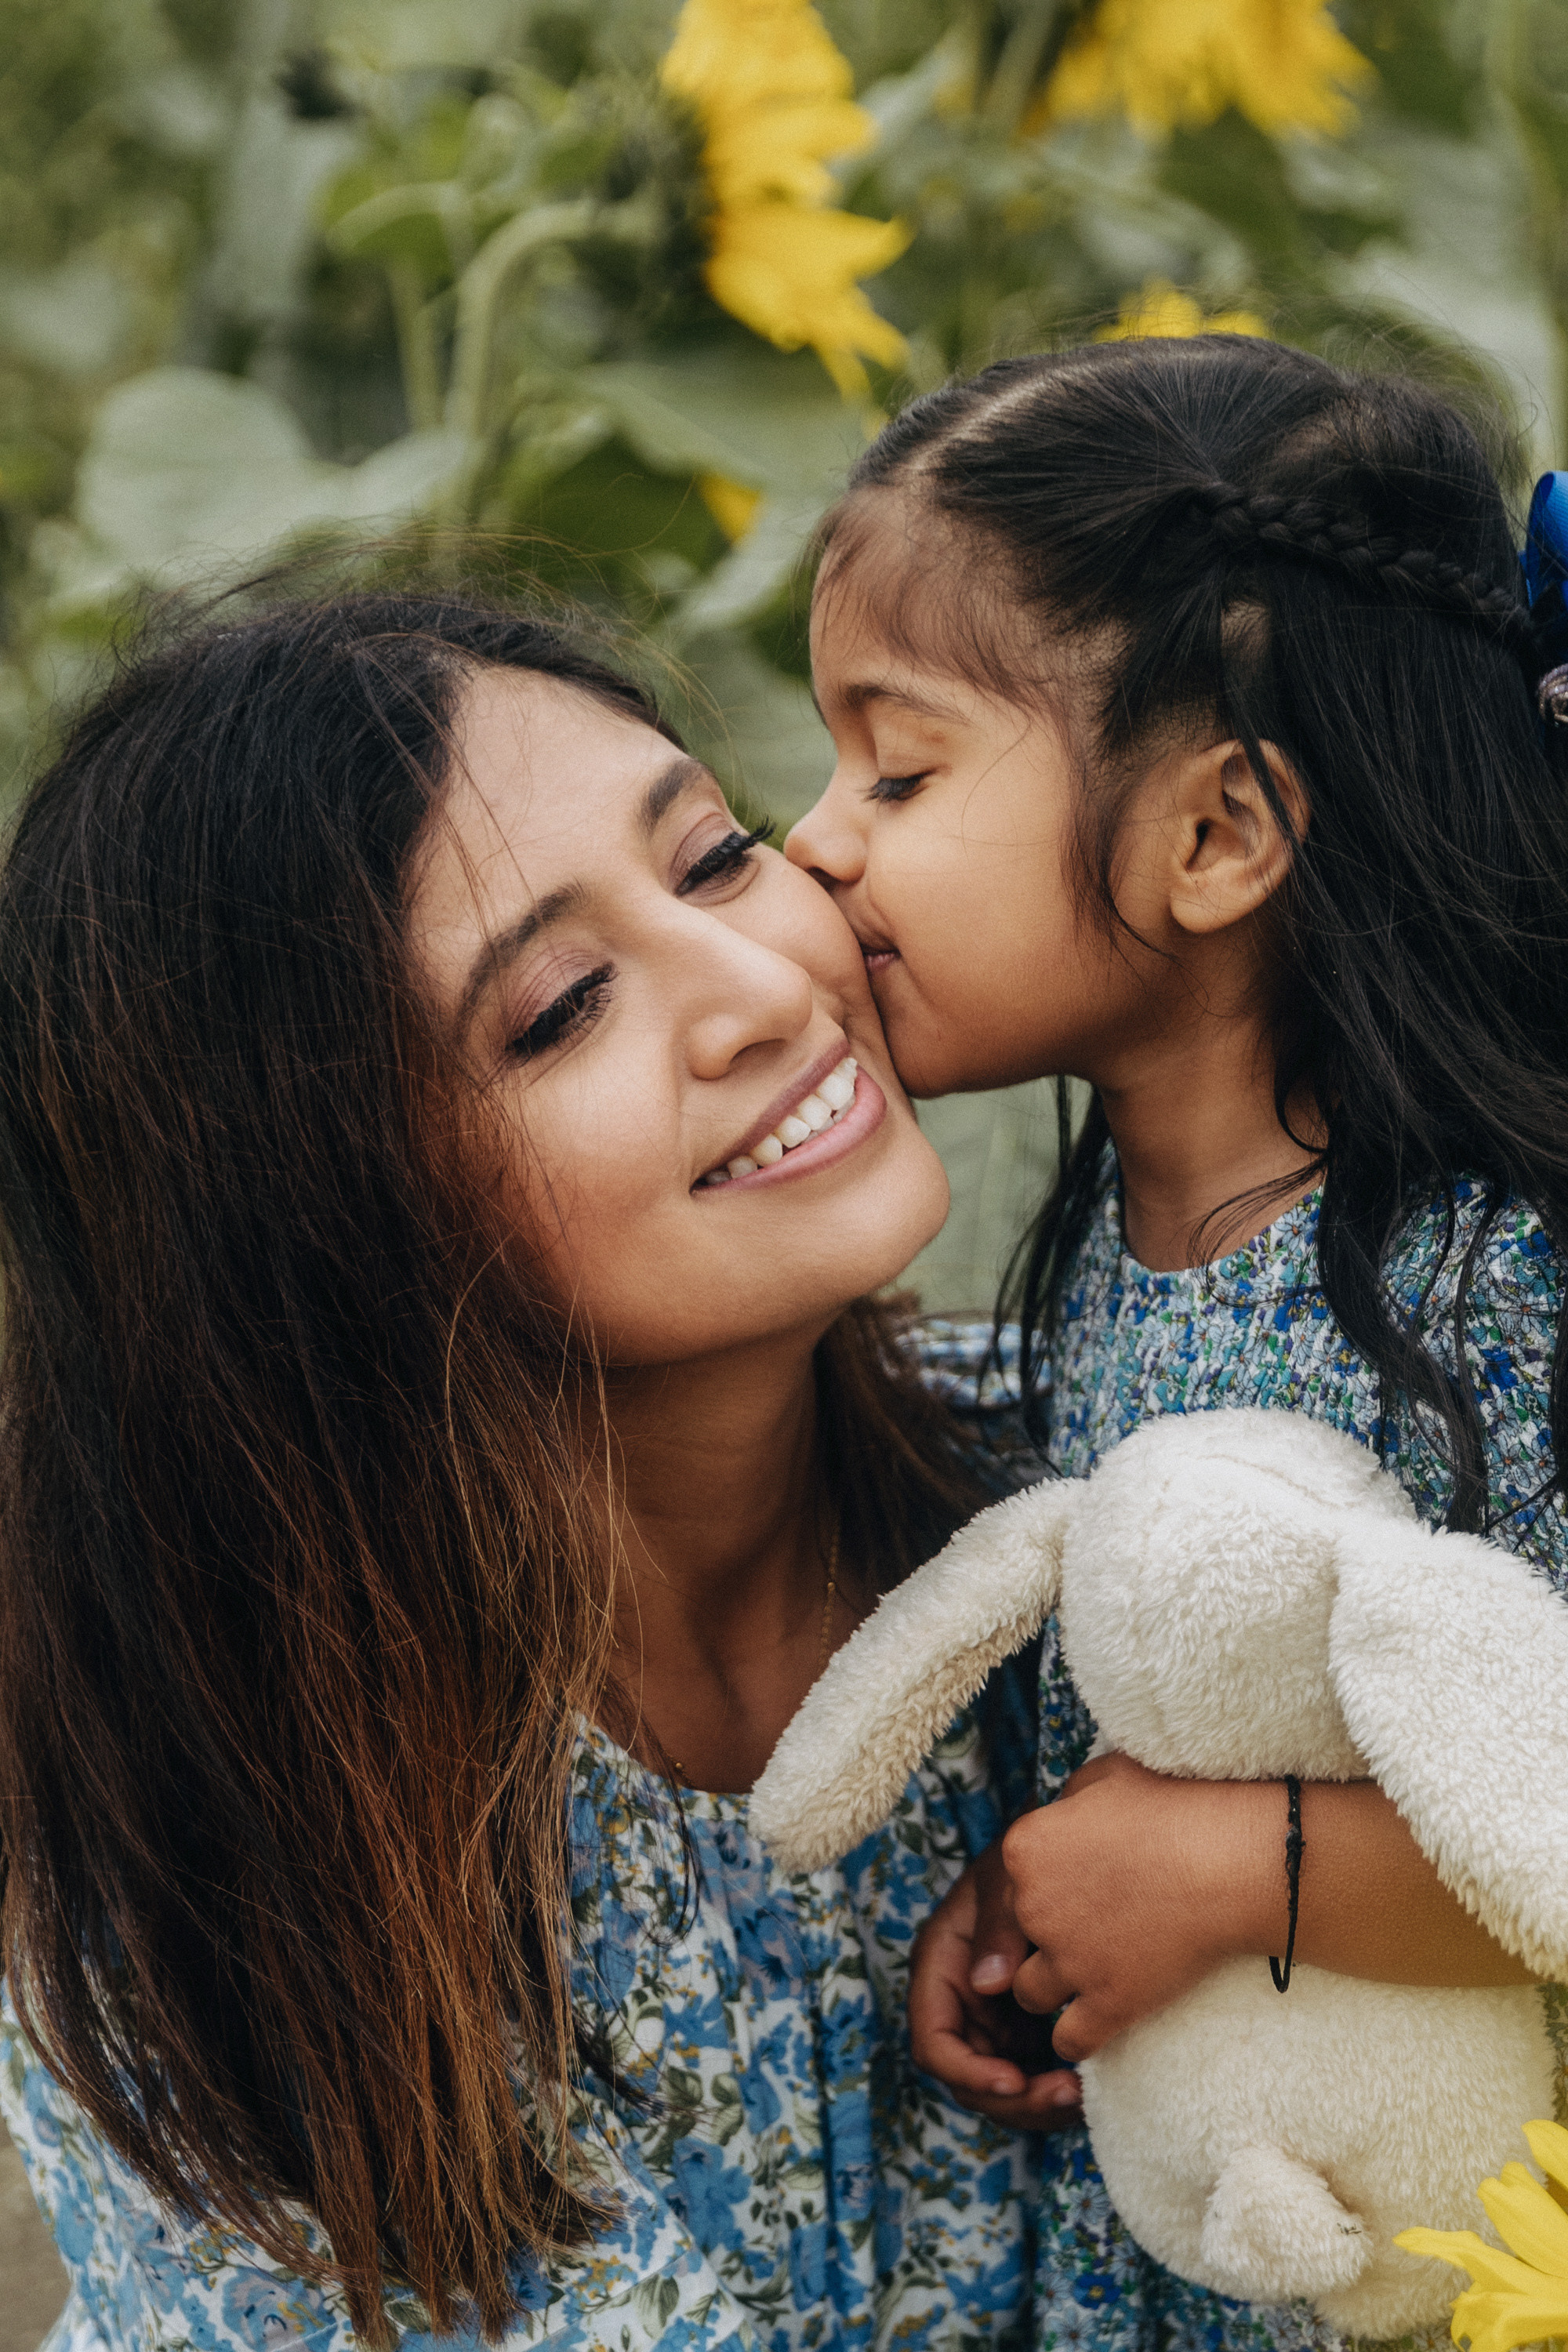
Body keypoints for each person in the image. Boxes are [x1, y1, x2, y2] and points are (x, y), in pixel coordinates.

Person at [0, 593, 1055, 2352]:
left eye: (716, 858)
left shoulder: (1088, 1490)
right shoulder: (216, 1872)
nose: (762, 985)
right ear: (325, 1231)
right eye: (563, 1007)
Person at [784, 337, 1568, 2352]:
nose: (815, 843)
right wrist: (1058, 1895)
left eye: (899, 766)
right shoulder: (1114, 1244)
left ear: (1219, 834)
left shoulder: (1495, 1278)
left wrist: (1241, 1875)